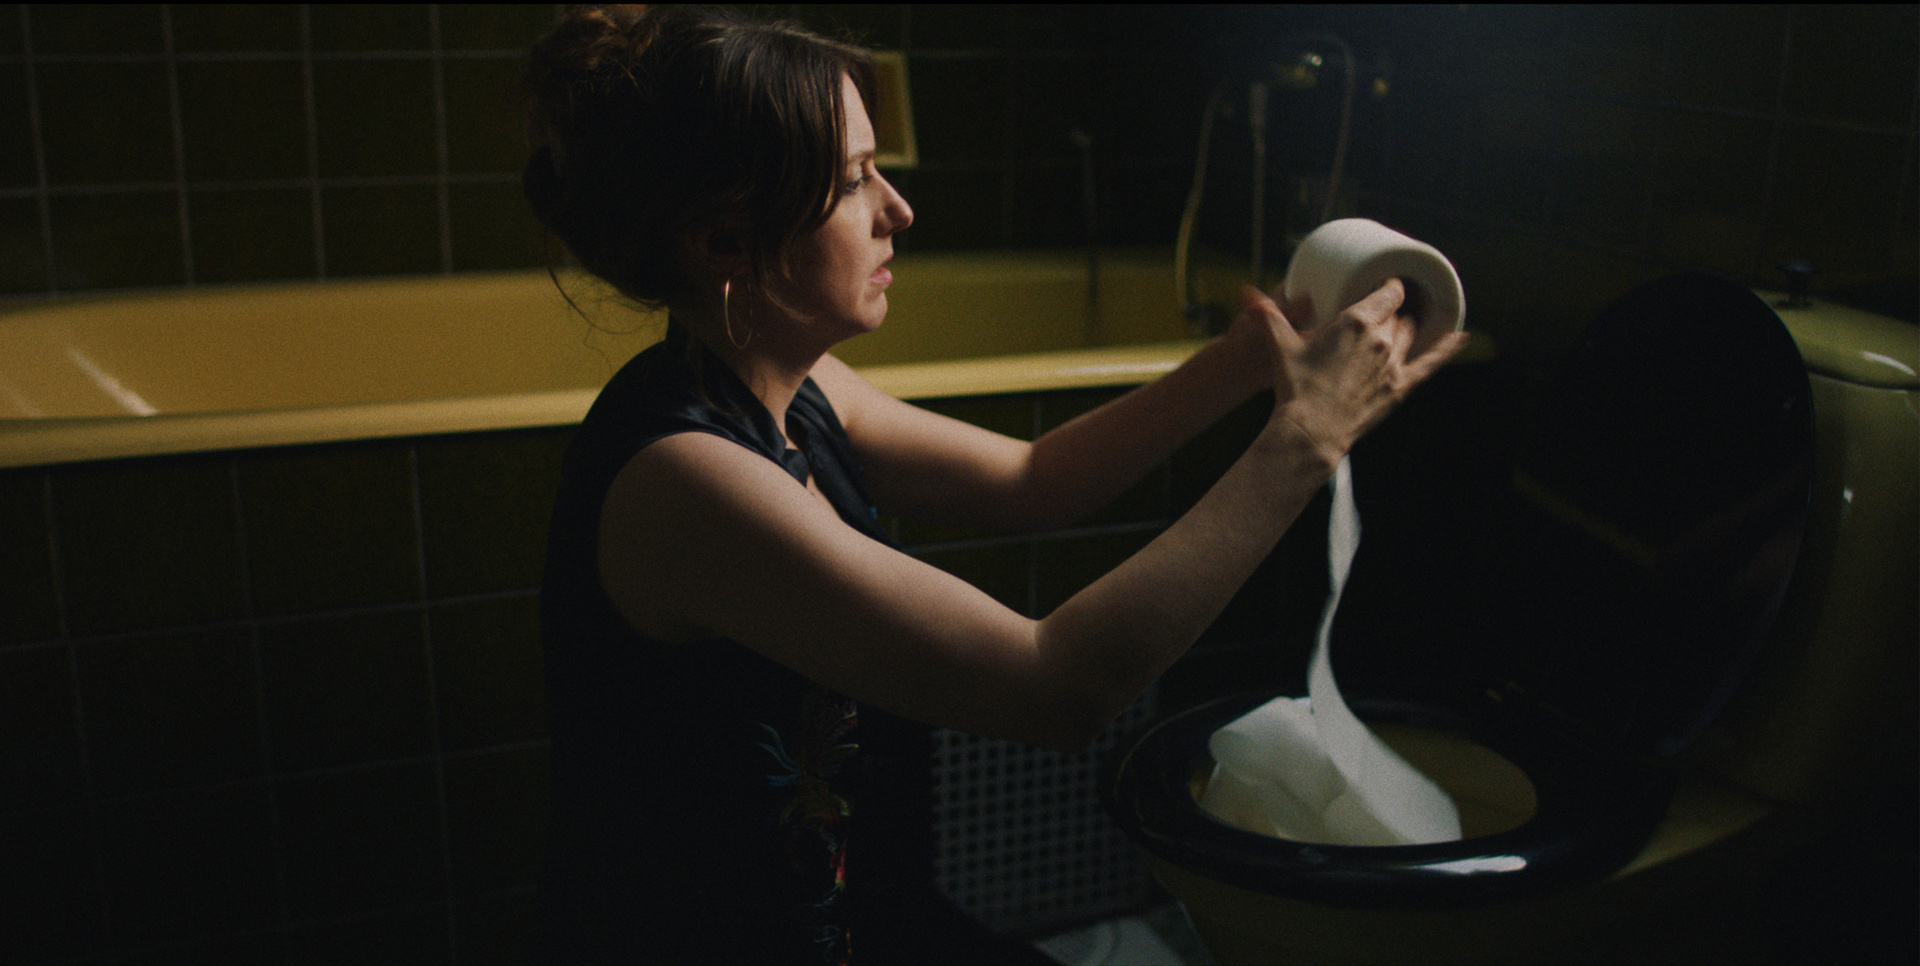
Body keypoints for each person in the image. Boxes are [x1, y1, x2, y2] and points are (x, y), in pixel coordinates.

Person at [522, 6, 1467, 964]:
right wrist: (1305, 439)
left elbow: (1031, 480)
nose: (897, 209)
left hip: (858, 916)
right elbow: (1055, 687)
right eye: (852, 180)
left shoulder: (793, 386)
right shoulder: (685, 482)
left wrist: (1243, 359)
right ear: (725, 240)